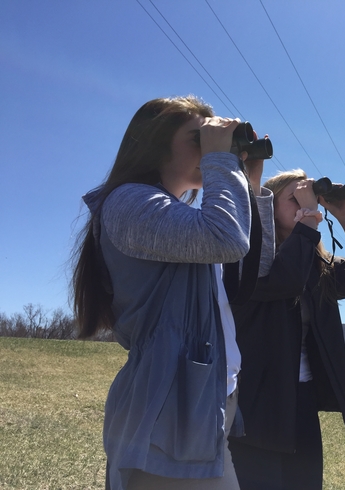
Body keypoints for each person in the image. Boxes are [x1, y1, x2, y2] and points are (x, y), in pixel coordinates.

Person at [72, 96, 254, 490]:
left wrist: (245, 173)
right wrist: (221, 162)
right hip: (167, 409)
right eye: (199, 139)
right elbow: (227, 239)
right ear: (155, 143)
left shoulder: (176, 215)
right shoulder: (129, 201)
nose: (209, 148)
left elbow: (248, 263)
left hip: (202, 402)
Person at [227, 169, 345, 490]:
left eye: (310, 199)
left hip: (302, 397)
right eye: (295, 198)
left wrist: (343, 216)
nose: (306, 205)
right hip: (257, 401)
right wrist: (309, 224)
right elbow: (285, 279)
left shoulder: (316, 267)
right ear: (267, 209)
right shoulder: (252, 260)